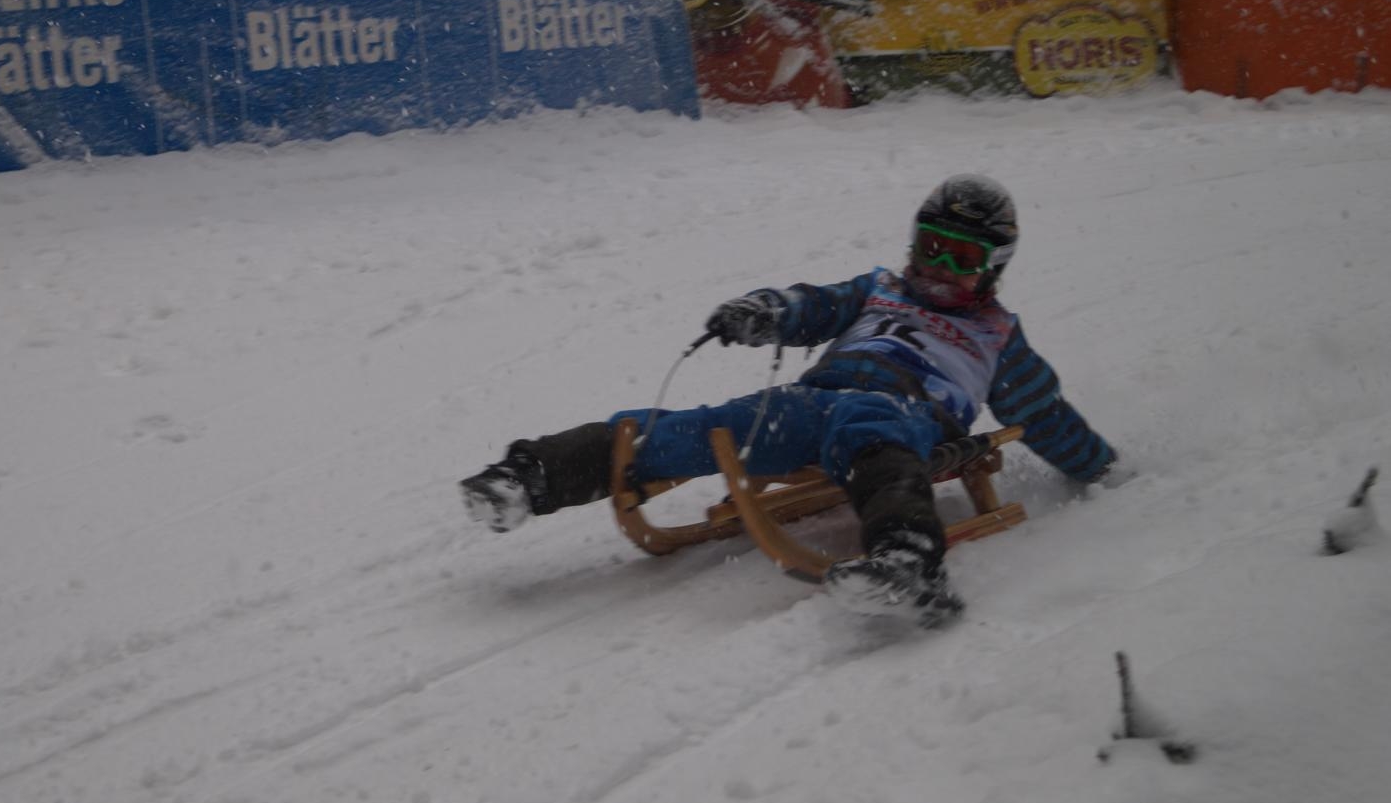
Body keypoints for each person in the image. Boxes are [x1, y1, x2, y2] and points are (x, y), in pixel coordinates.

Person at [459, 175, 1119, 626]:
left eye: (961, 257)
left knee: (872, 436)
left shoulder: (998, 337)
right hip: (810, 402)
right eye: (931, 248)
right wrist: (763, 311)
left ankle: (906, 561)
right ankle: (531, 475)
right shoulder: (879, 289)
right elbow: (813, 305)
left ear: (993, 266)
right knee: (706, 427)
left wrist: (1097, 467)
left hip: (907, 416)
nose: (940, 268)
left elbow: (1044, 414)